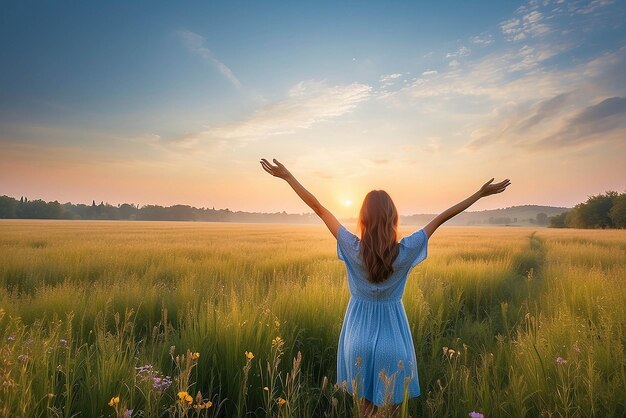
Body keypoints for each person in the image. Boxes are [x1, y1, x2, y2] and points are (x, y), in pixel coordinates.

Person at [260, 158, 510, 416]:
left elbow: (320, 209)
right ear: (393, 218)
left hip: (356, 341)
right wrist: (479, 194)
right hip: (394, 343)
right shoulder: (407, 250)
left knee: (365, 412)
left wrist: (289, 177)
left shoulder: (352, 247)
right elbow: (442, 217)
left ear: (363, 218)